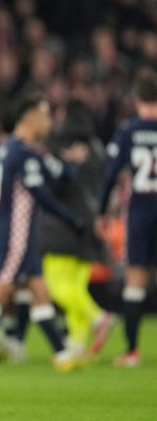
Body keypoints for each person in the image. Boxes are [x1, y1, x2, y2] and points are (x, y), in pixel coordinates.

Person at [0, 93, 84, 372]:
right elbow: (41, 196)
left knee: (39, 289)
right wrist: (72, 219)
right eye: (45, 114)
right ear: (29, 118)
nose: (49, 121)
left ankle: (62, 355)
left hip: (8, 230)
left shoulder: (2, 150)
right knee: (1, 288)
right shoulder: (23, 153)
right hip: (16, 232)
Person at [41, 99, 114, 357]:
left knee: (55, 286)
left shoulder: (59, 144)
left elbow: (53, 184)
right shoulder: (97, 147)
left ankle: (98, 318)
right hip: (91, 222)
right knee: (76, 287)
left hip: (62, 223)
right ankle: (77, 343)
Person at [97, 75, 157, 368]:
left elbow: (110, 174)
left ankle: (132, 351)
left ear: (137, 100)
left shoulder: (129, 131)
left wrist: (101, 211)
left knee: (135, 281)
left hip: (141, 214)